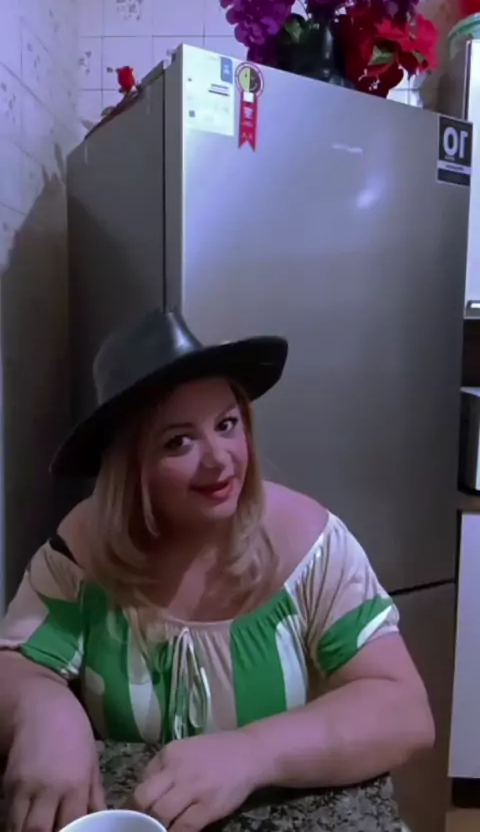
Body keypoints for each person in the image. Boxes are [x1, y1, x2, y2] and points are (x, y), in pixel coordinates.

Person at [0, 309, 434, 832]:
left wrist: (252, 752)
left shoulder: (311, 544)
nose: (220, 460)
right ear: (130, 465)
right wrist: (43, 711)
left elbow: (402, 708)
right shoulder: (83, 549)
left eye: (227, 425)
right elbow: (17, 667)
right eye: (178, 441)